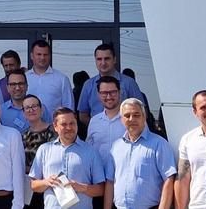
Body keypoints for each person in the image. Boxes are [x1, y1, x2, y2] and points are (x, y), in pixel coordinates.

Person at [104, 98, 176, 209]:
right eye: (127, 116)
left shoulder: (159, 144)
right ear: (121, 119)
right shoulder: (116, 147)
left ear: (144, 116)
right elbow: (110, 181)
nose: (131, 119)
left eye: (136, 115)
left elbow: (169, 179)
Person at [28, 107, 105, 209]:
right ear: (55, 126)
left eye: (72, 123)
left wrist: (83, 188)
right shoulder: (44, 149)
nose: (69, 127)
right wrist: (47, 182)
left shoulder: (91, 151)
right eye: (64, 124)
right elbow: (33, 185)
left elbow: (101, 189)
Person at [76, 44, 146, 126]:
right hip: (98, 132)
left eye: (107, 59)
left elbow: (142, 112)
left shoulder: (129, 83)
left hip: (125, 131)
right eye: (99, 59)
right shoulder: (88, 85)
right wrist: (98, 126)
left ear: (114, 60)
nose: (103, 63)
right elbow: (83, 115)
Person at [82, 77, 125, 209]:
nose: (109, 96)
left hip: (122, 182)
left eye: (112, 92)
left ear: (119, 92)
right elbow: (88, 150)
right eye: (104, 93)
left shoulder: (130, 119)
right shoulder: (94, 121)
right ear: (98, 95)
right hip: (98, 183)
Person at [19, 95, 56, 209]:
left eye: (34, 106)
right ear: (23, 113)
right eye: (27, 108)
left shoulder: (54, 131)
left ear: (41, 109)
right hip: (29, 187)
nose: (31, 110)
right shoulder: (22, 136)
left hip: (51, 184)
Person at [24, 41, 73, 120]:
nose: (42, 58)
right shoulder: (24, 78)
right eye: (39, 54)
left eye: (45, 54)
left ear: (50, 56)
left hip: (54, 126)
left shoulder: (62, 79)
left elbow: (69, 107)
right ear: (32, 56)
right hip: (27, 125)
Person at [0, 68, 31, 133]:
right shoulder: (0, 111)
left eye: (21, 84)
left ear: (27, 86)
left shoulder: (39, 108)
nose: (17, 88)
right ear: (7, 88)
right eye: (13, 84)